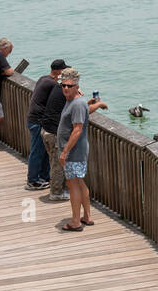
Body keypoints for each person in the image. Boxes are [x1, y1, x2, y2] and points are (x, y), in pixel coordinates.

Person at [56, 68, 107, 230]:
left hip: (73, 152)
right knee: (79, 182)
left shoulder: (76, 103)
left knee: (73, 185)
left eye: (69, 86)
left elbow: (77, 129)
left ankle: (76, 221)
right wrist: (96, 104)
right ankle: (87, 216)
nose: (65, 88)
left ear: (77, 86)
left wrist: (65, 152)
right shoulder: (76, 101)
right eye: (63, 85)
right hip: (76, 151)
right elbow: (84, 112)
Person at [25, 58, 66, 190]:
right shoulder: (53, 85)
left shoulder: (43, 78)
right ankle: (32, 181)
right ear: (58, 71)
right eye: (63, 71)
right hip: (38, 121)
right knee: (37, 151)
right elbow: (59, 98)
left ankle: (43, 177)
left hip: (34, 119)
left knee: (42, 151)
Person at [39, 71, 70, 201]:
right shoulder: (64, 93)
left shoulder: (57, 88)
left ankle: (59, 189)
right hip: (53, 133)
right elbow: (80, 109)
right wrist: (97, 105)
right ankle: (56, 193)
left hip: (45, 130)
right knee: (57, 164)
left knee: (54, 162)